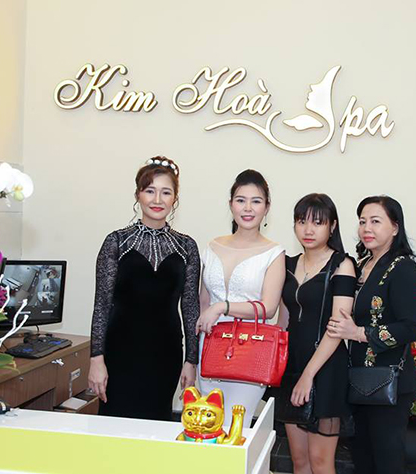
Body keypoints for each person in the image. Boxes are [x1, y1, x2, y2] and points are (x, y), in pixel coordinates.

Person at [88, 156, 200, 420]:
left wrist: (191, 361)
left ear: (175, 198)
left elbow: (190, 307)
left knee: (157, 426)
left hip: (166, 353)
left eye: (166, 192)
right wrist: (96, 359)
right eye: (150, 191)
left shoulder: (187, 247)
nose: (157, 200)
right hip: (119, 352)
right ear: (138, 194)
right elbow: (101, 305)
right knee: (114, 427)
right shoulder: (116, 242)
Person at [327, 195, 416, 474]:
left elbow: (412, 327)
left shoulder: (403, 268)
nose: (366, 228)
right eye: (362, 222)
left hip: (388, 382)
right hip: (358, 379)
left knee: (387, 461)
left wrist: (359, 333)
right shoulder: (362, 265)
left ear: (395, 227)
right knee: (362, 459)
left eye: (375, 221)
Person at [196, 169, 285, 428]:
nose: (248, 208)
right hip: (209, 346)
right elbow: (202, 305)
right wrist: (190, 358)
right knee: (207, 424)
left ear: (267, 207)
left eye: (256, 201)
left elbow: (268, 308)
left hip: (249, 348)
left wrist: (222, 307)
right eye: (241, 200)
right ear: (231, 204)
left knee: (237, 426)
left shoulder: (274, 253)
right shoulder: (212, 246)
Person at [275, 193, 356, 474]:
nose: (308, 230)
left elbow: (337, 328)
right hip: (292, 366)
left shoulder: (342, 265)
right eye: (301, 221)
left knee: (321, 463)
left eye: (318, 223)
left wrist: (308, 375)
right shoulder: (287, 264)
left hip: (326, 369)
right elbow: (284, 318)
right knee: (300, 462)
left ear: (332, 226)